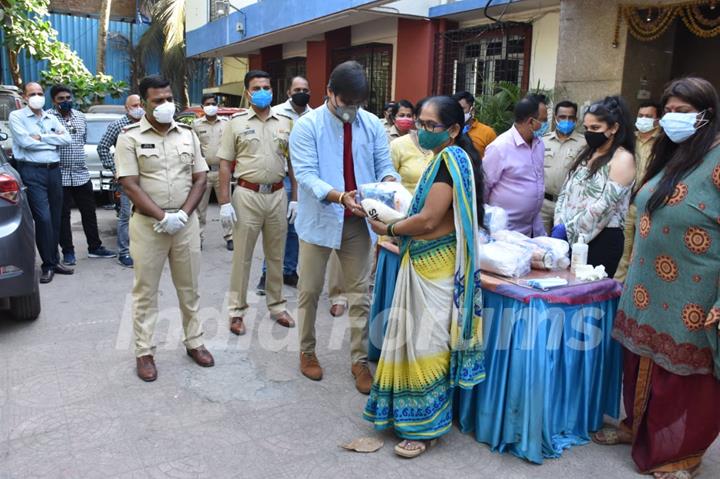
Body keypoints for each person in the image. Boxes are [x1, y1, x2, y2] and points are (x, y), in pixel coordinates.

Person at [594, 77, 720, 479]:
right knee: (640, 363)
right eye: (669, 111)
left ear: (707, 116)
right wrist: (625, 273)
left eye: (683, 112)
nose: (671, 119)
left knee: (683, 378)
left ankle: (679, 454)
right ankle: (637, 427)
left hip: (695, 291)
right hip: (647, 286)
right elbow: (640, 216)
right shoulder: (670, 154)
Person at [363, 96, 485, 458]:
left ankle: (426, 426)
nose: (422, 130)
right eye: (420, 122)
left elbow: (431, 219)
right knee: (409, 340)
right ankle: (404, 414)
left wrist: (389, 225)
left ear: (452, 129)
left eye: (431, 125)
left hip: (436, 266)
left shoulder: (449, 162)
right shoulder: (445, 159)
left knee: (425, 346)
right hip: (422, 260)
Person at [290, 60, 399, 393]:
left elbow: (385, 165)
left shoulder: (372, 125)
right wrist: (338, 196)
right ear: (329, 93)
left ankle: (359, 361)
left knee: (359, 295)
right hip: (321, 219)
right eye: (345, 102)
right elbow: (306, 174)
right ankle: (307, 352)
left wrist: (390, 185)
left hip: (359, 221)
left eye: (357, 103)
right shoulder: (307, 126)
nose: (351, 109)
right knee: (309, 291)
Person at [116, 75, 214, 382]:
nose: (165, 105)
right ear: (144, 103)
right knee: (145, 292)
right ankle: (144, 352)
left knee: (190, 288)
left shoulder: (187, 134)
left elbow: (200, 177)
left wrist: (183, 215)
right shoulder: (129, 137)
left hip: (185, 224)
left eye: (168, 99)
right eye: (158, 100)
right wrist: (162, 216)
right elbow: (129, 185)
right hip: (149, 227)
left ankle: (194, 342)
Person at [217, 70, 296, 337]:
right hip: (246, 196)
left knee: (276, 255)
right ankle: (237, 311)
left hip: (276, 194)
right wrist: (225, 203)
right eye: (257, 87)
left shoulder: (285, 123)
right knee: (243, 257)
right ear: (247, 92)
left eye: (266, 86)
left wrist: (294, 198)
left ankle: (277, 306)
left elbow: (292, 164)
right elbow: (226, 165)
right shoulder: (235, 124)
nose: (263, 91)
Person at [553, 96, 635, 277]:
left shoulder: (623, 159)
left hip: (602, 239)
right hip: (570, 236)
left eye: (596, 128)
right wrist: (559, 224)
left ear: (614, 128)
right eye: (587, 128)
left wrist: (568, 231)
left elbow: (604, 207)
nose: (590, 133)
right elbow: (565, 191)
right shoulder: (587, 154)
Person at [8, 82, 74, 283]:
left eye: (39, 93)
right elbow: (25, 142)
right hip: (32, 172)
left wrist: (42, 137)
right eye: (32, 93)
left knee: (55, 218)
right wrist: (53, 138)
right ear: (25, 97)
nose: (36, 96)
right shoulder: (17, 116)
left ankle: (54, 261)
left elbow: (67, 139)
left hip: (54, 171)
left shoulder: (50, 117)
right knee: (43, 219)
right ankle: (47, 265)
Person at [47, 85, 116, 265]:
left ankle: (95, 247)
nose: (65, 101)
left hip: (81, 174)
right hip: (59, 174)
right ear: (54, 101)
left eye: (68, 98)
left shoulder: (80, 117)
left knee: (89, 212)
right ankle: (68, 251)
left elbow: (82, 140)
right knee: (63, 215)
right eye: (61, 99)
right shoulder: (48, 118)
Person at [255, 75, 311, 292]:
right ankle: (267, 274)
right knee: (277, 228)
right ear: (288, 92)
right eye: (297, 89)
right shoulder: (276, 113)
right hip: (283, 177)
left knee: (297, 229)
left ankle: (289, 271)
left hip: (305, 181)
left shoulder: (314, 116)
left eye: (305, 89)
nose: (301, 93)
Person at [483, 94, 548, 237]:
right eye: (543, 121)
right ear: (531, 121)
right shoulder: (500, 147)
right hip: (505, 231)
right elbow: (484, 187)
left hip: (533, 228)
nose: (546, 125)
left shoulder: (539, 144)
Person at [614, 100, 662, 282]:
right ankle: (618, 290)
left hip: (650, 206)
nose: (643, 119)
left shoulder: (664, 142)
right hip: (627, 204)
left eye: (648, 116)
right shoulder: (629, 140)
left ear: (657, 119)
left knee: (644, 251)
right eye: (641, 116)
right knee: (624, 251)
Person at [97, 94, 145, 267]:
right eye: (134, 105)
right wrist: (115, 169)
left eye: (140, 104)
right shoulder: (117, 125)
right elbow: (102, 147)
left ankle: (145, 250)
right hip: (127, 179)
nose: (138, 108)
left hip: (147, 177)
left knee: (147, 214)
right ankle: (124, 252)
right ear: (126, 108)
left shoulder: (147, 123)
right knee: (126, 215)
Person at [192, 94, 232, 250]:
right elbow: (193, 149)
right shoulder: (196, 125)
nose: (211, 106)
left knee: (226, 205)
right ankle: (198, 237)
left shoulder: (226, 124)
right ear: (202, 107)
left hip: (222, 171)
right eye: (208, 104)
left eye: (214, 103)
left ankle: (230, 236)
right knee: (200, 209)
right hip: (204, 172)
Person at [540, 100, 586, 234]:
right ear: (555, 118)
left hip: (568, 204)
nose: (567, 120)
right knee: (540, 243)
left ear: (576, 119)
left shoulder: (584, 143)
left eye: (570, 118)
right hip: (543, 203)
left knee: (562, 243)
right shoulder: (543, 141)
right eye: (562, 117)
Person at [389, 98, 434, 194]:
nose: (426, 126)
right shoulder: (396, 144)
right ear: (416, 118)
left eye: (432, 122)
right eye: (401, 115)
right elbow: (390, 180)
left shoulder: (443, 146)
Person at [452, 91, 496, 158]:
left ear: (472, 110)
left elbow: (495, 160)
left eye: (462, 109)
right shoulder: (447, 131)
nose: (458, 112)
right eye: (455, 109)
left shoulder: (487, 133)